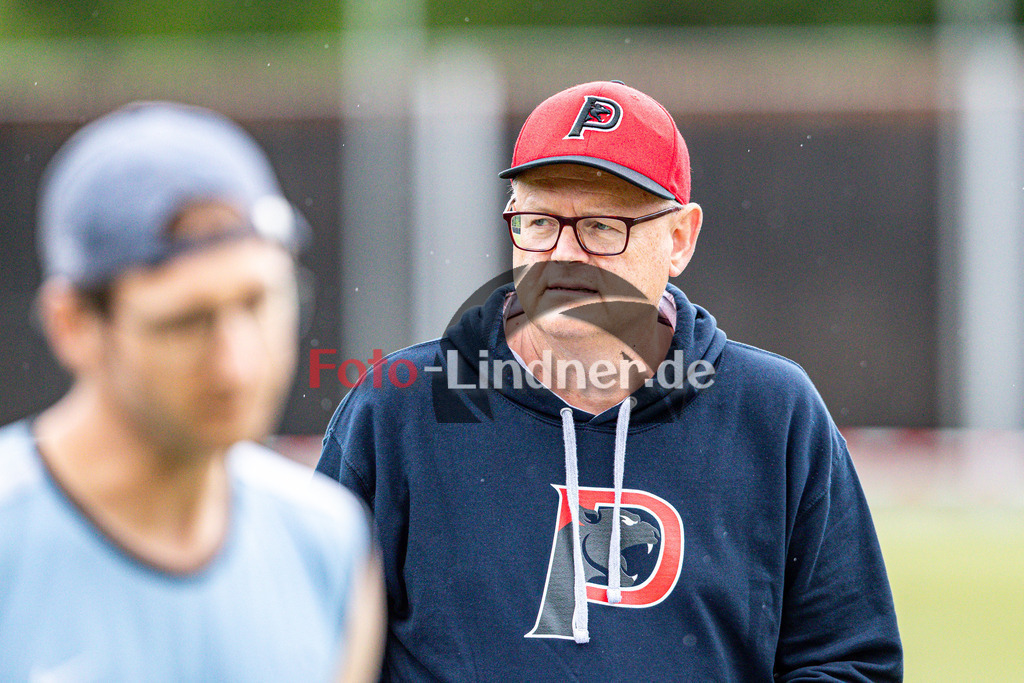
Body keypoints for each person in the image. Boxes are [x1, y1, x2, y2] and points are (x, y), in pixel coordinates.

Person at [317, 81, 902, 680]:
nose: (565, 255)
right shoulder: (402, 408)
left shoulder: (773, 413)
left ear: (680, 239)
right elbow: (310, 643)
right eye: (540, 221)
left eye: (601, 227)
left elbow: (850, 661)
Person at [0, 102, 385, 682]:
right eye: (184, 322)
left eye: (258, 303)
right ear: (73, 325)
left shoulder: (326, 544)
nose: (237, 364)